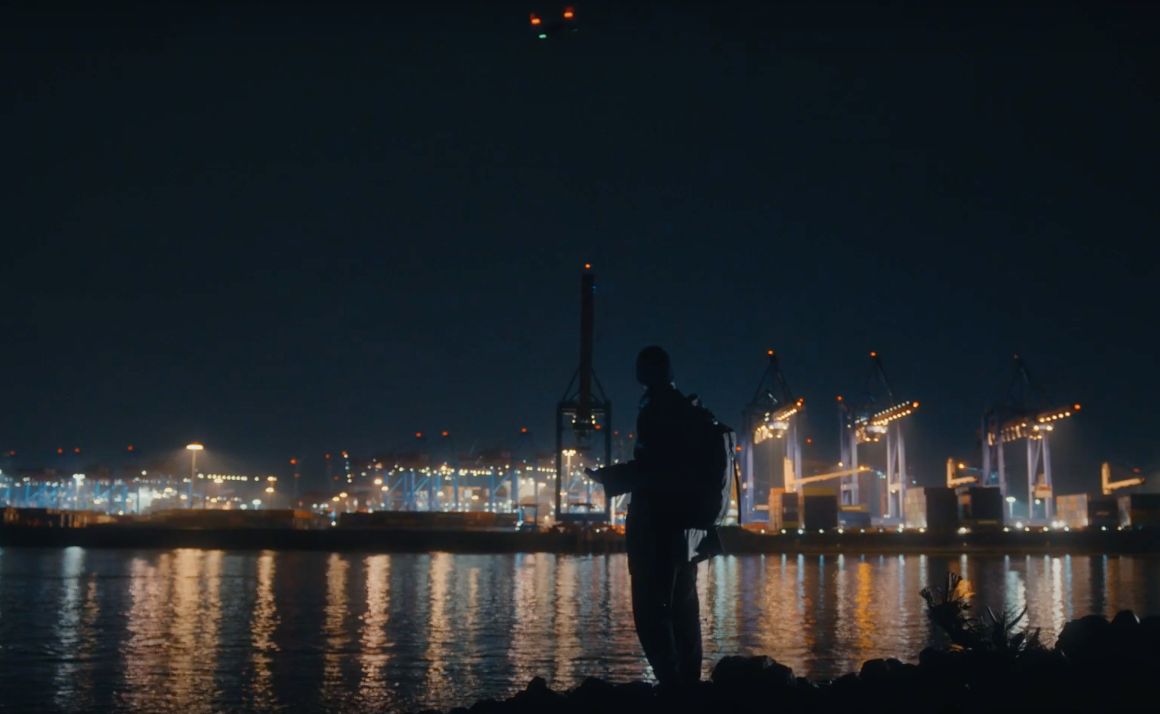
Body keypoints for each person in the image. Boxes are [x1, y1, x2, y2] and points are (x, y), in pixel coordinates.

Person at [588, 346, 720, 685]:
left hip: (658, 525)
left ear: (643, 374)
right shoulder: (692, 412)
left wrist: (609, 477)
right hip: (688, 530)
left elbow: (655, 469)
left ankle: (672, 687)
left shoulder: (658, 412)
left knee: (651, 610)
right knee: (684, 609)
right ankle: (688, 685)